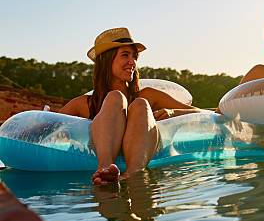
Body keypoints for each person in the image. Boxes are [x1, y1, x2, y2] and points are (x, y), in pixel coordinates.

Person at [60, 27, 200, 185]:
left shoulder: (148, 95)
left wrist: (170, 111)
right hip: (99, 157)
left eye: (134, 56)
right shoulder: (84, 104)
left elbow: (196, 112)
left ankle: (133, 174)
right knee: (115, 98)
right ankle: (105, 168)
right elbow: (47, 125)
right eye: (125, 55)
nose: (132, 62)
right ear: (107, 60)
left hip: (142, 159)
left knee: (140, 104)